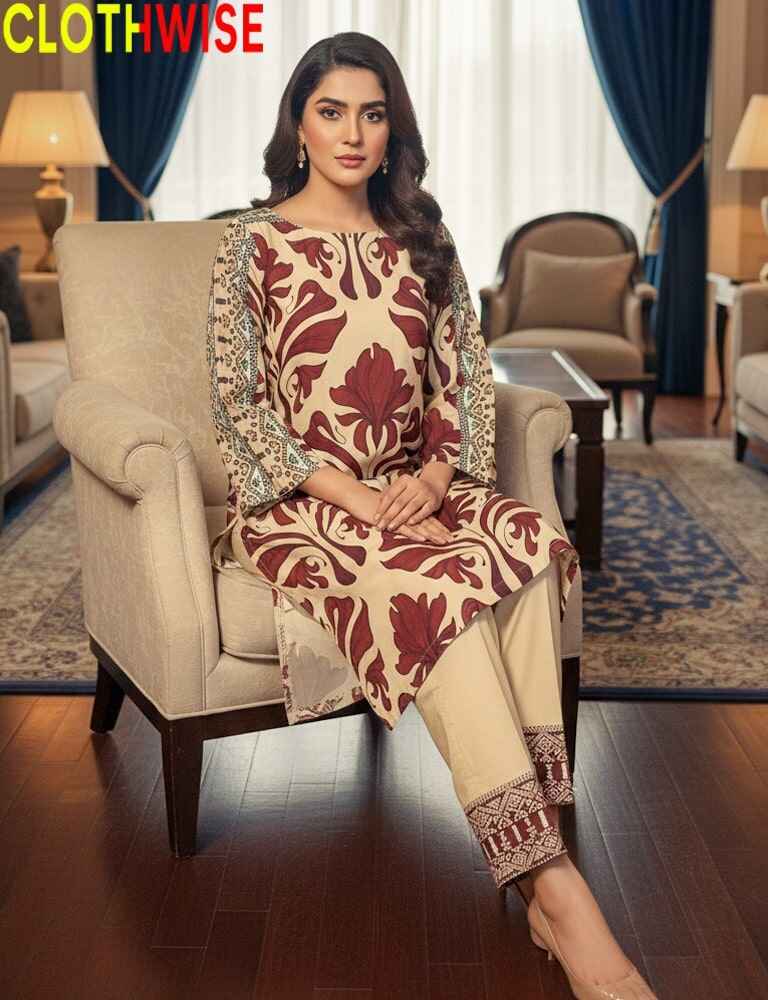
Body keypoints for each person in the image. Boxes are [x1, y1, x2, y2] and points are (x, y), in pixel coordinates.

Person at [207, 30, 657, 1000]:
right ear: (297, 123)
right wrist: (358, 496)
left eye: (374, 112)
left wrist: (440, 469)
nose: (353, 132)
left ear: (393, 126)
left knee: (531, 545)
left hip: (418, 488)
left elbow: (465, 379)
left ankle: (544, 851)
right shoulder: (251, 245)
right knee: (429, 581)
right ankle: (557, 887)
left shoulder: (425, 236)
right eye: (332, 111)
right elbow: (240, 409)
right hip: (305, 507)